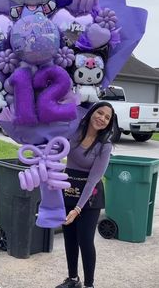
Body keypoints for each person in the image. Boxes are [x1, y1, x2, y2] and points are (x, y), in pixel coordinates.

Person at [55, 101, 115, 288]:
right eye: (100, 113)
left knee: (85, 241)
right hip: (68, 189)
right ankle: (73, 279)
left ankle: (89, 284)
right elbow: (55, 150)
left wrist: (78, 209)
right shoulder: (73, 132)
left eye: (107, 117)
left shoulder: (105, 146)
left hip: (90, 197)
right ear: (91, 113)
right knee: (70, 238)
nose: (102, 118)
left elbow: (93, 180)